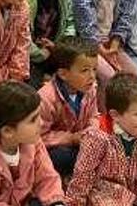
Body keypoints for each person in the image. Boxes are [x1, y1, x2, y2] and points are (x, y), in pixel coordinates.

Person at [66, 73, 137, 206]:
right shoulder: (97, 136)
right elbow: (83, 174)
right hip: (107, 188)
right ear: (115, 115)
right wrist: (75, 202)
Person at [0, 81, 65, 206]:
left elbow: (47, 178)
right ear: (7, 131)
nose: (41, 123)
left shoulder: (33, 142)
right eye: (33, 119)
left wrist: (56, 203)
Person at [37, 37, 98, 175]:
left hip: (81, 143)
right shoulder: (45, 98)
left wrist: (91, 132)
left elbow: (94, 116)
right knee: (62, 157)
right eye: (85, 71)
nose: (92, 76)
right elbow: (39, 136)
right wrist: (71, 138)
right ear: (63, 74)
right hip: (56, 149)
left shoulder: (91, 89)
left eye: (94, 69)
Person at [26, 0, 78, 84]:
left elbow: (70, 23)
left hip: (54, 52)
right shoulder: (25, 0)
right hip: (30, 57)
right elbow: (22, 38)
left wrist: (59, 48)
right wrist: (41, 54)